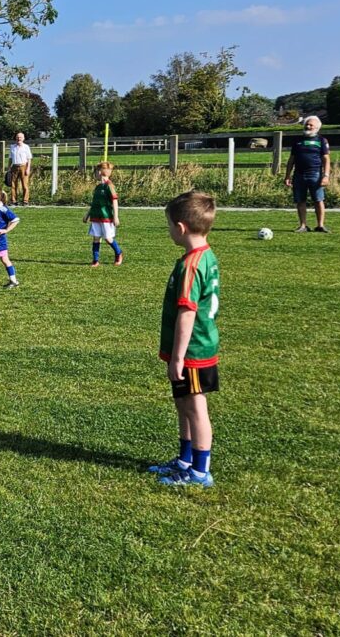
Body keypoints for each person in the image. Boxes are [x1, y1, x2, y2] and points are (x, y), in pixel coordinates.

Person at [149, 191, 220, 488]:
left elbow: (187, 313)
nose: (168, 230)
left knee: (195, 407)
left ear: (180, 228)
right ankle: (184, 460)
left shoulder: (192, 265)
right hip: (194, 348)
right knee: (183, 404)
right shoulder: (206, 256)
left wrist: (177, 357)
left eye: (168, 225)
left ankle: (200, 472)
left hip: (193, 351)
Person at [284, 116, 331, 232]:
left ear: (317, 128)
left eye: (311, 125)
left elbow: (326, 159)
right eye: (306, 124)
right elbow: (291, 159)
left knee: (318, 200)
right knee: (300, 200)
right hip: (299, 175)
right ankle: (303, 226)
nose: (308, 126)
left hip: (315, 174)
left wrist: (326, 176)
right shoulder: (297, 141)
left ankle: (320, 225)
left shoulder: (321, 140)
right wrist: (287, 176)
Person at [84, 161, 123, 266]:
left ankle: (119, 253)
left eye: (95, 171)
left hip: (106, 217)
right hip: (96, 216)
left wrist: (116, 217)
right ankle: (95, 260)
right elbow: (94, 203)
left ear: (100, 172)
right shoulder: (98, 187)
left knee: (108, 238)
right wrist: (87, 214)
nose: (95, 174)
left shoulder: (109, 186)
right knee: (96, 238)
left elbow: (115, 201)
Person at [8, 132, 33, 205]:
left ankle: (25, 201)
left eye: (20, 137)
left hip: (23, 166)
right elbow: (10, 158)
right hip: (14, 167)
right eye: (17, 137)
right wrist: (9, 168)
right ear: (16, 138)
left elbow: (29, 158)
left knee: (24, 185)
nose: (19, 138)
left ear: (23, 138)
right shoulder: (12, 147)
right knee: (13, 185)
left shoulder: (26, 147)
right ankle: (14, 201)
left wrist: (28, 168)